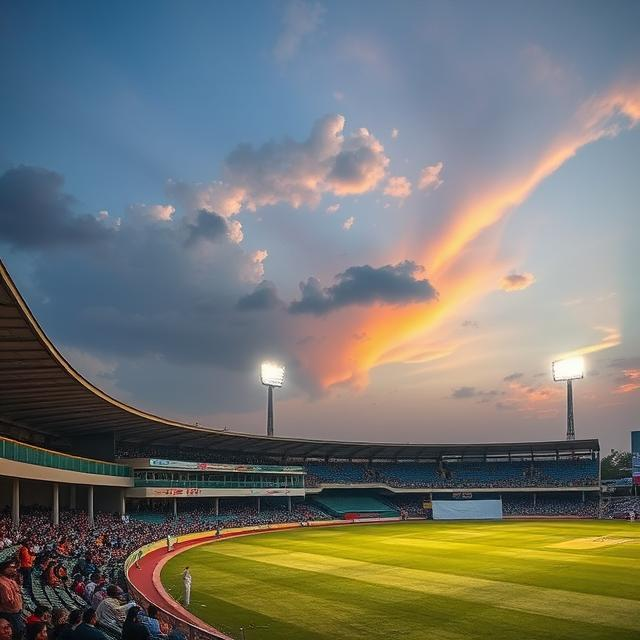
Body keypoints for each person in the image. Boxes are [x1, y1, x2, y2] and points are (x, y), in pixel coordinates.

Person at [0, 560, 24, 640]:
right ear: (4, 569)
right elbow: (8, 602)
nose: (15, 569)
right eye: (12, 567)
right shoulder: (2, 583)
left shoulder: (12, 581)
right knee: (15, 634)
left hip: (16, 613)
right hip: (9, 615)